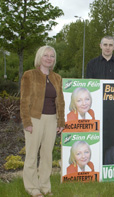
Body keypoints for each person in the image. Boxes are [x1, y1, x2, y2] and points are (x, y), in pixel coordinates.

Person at [20, 46, 65, 197]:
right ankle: (32, 188)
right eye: (46, 55)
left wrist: (60, 122)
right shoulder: (29, 75)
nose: (49, 58)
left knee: (47, 155)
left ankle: (45, 187)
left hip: (52, 120)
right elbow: (24, 101)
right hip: (34, 119)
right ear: (39, 57)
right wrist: (27, 121)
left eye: (52, 56)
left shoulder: (57, 77)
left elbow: (61, 102)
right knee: (32, 154)